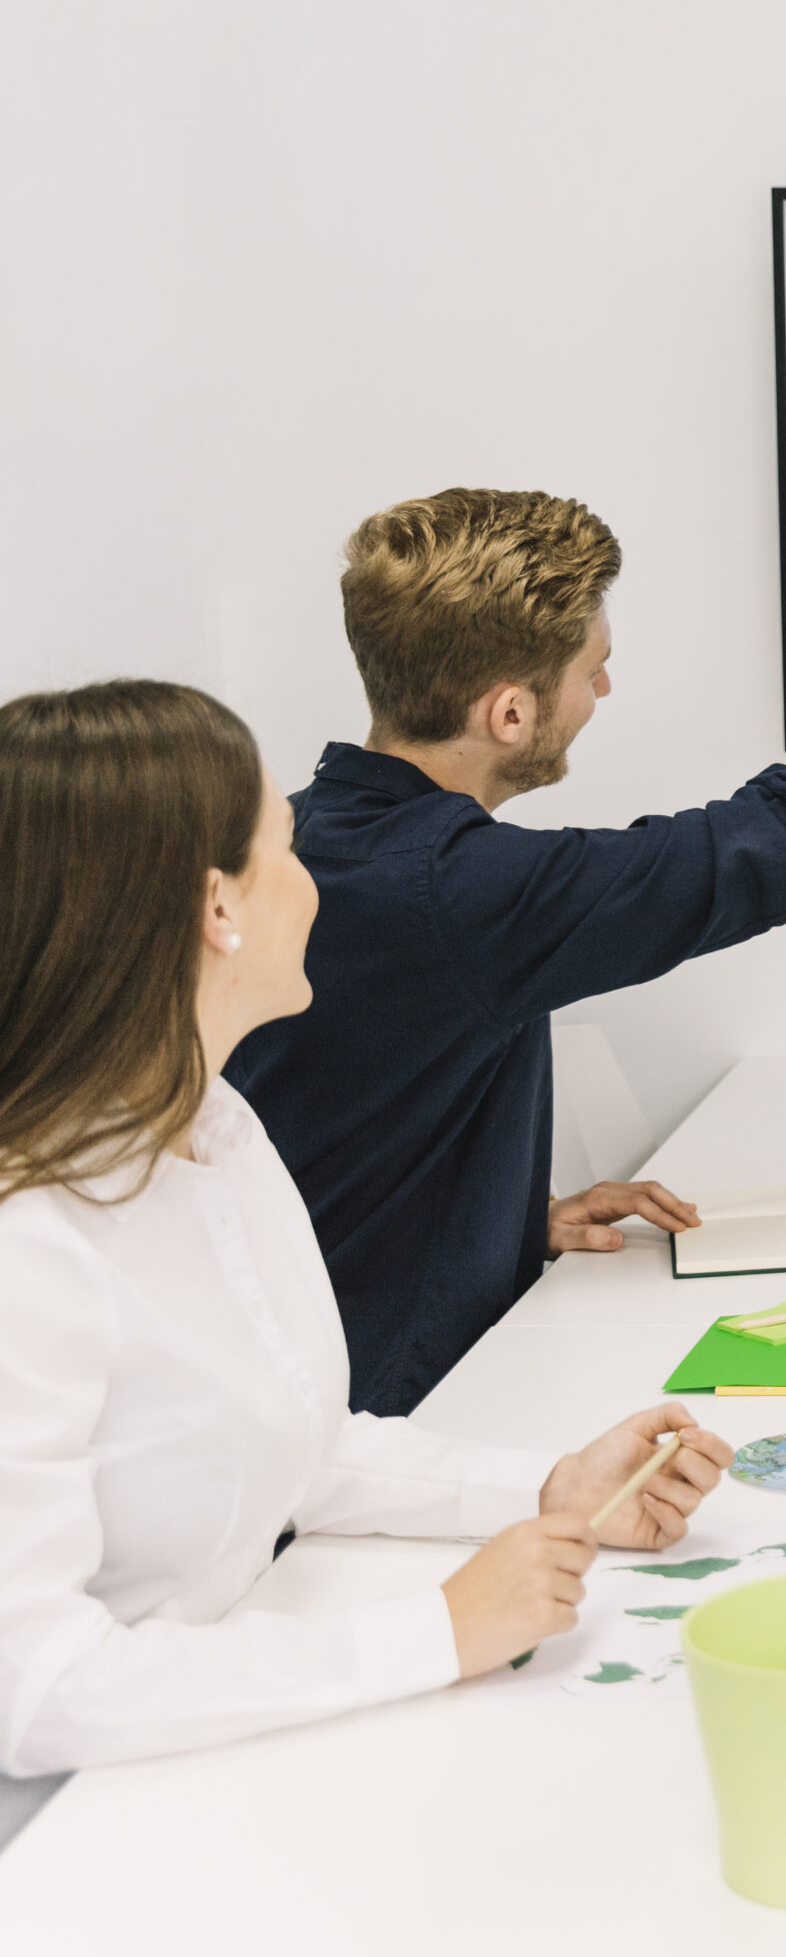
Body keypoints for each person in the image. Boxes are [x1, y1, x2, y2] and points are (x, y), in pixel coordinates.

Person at [0, 679, 741, 1775]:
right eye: (287, 850)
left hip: (198, 1754)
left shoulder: (217, 1126)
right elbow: (36, 1690)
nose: (316, 885)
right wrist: (436, 1630)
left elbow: (299, 1439)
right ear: (219, 906)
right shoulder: (30, 1244)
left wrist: (549, 1489)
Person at [227, 487, 786, 1415]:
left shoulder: (298, 838)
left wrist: (503, 1226)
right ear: (510, 714)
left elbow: (327, 1138)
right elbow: (759, 847)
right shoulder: (451, 891)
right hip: (376, 1431)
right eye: (591, 670)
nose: (603, 691)